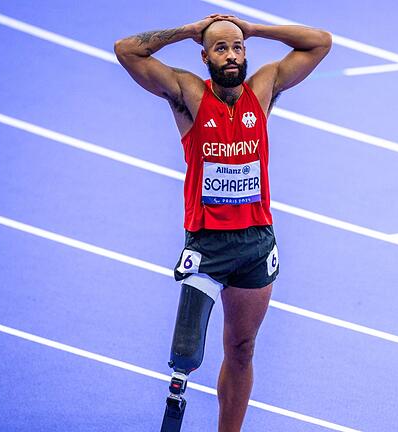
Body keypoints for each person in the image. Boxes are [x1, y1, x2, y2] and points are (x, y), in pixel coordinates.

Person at [114, 14, 331, 432]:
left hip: (255, 242)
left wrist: (254, 29)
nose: (230, 55)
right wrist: (186, 29)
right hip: (207, 243)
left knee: (242, 348)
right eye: (220, 48)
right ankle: (176, 395)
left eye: (236, 48)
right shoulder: (189, 94)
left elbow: (320, 42)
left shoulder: (263, 88)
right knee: (186, 353)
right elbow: (126, 49)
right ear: (204, 55)